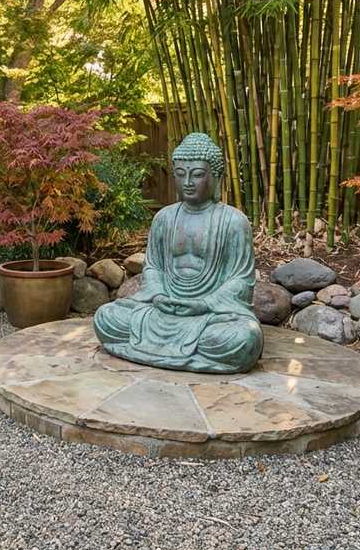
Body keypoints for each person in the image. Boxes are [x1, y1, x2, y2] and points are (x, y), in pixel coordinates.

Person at [94, 132, 262, 373]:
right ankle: (194, 359)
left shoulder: (234, 221)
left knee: (244, 337)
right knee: (106, 317)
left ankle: (151, 350)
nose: (188, 182)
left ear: (215, 177)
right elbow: (153, 267)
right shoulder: (164, 217)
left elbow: (241, 279)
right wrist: (160, 294)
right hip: (163, 307)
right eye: (181, 175)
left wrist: (204, 303)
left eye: (197, 175)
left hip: (209, 314)